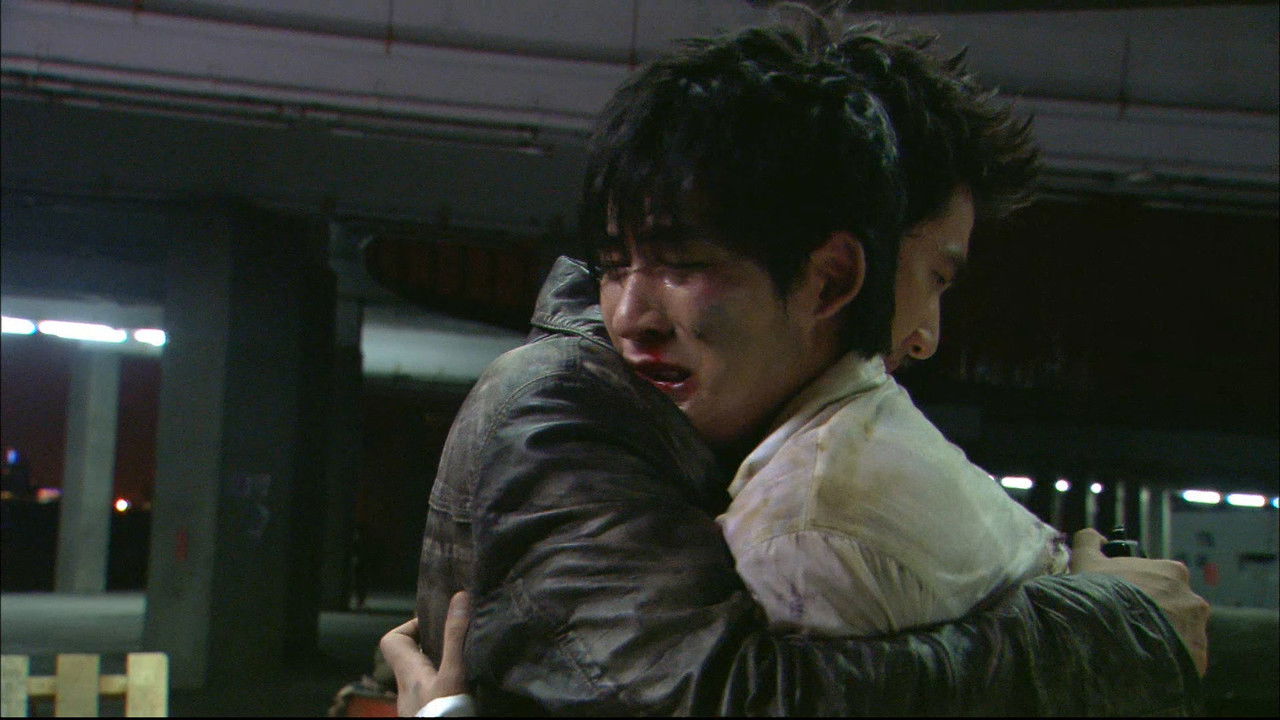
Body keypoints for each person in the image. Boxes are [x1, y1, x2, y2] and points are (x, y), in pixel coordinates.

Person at [393, 14, 1206, 717]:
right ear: (839, 263)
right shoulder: (572, 408)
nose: (923, 333)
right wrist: (1116, 629)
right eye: (930, 274)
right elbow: (742, 700)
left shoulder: (730, 419)